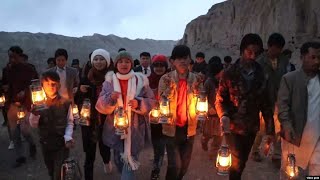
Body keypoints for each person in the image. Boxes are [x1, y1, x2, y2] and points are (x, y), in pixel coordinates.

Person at [215, 33, 275, 180]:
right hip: (233, 126)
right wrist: (223, 116)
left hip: (251, 127)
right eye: (249, 52)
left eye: (256, 53)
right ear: (242, 50)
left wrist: (270, 130)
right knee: (237, 162)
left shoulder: (261, 74)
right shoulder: (229, 73)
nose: (253, 56)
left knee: (242, 162)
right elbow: (220, 99)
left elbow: (265, 103)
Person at [96, 51, 155, 180]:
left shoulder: (140, 81)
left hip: (135, 128)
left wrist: (138, 103)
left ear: (131, 64)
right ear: (116, 64)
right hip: (115, 128)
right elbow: (100, 105)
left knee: (129, 162)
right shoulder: (109, 82)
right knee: (118, 160)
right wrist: (110, 98)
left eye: (127, 61)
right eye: (121, 61)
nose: (124, 64)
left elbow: (151, 101)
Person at [158, 45, 203, 180]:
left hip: (189, 129)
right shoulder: (166, 79)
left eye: (185, 58)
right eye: (178, 58)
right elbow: (161, 99)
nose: (182, 61)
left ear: (190, 60)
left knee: (184, 165)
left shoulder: (196, 79)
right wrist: (170, 90)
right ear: (172, 61)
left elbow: (202, 99)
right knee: (175, 165)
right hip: (171, 128)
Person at [278, 42, 320, 178]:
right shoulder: (289, 79)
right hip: (295, 135)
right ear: (302, 57)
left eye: (319, 57)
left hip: (317, 137)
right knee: (290, 172)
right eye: (313, 57)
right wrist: (287, 126)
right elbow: (282, 106)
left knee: (316, 171)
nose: (317, 61)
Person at [252, 33, 295, 163]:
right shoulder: (259, 61)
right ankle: (254, 151)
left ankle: (276, 154)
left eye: (280, 49)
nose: (278, 51)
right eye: (275, 48)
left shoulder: (285, 62)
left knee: (279, 128)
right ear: (269, 47)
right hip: (264, 101)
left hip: (279, 100)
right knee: (261, 129)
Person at [29, 71, 75, 180]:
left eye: (53, 84)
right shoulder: (38, 103)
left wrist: (68, 137)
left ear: (59, 84)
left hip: (61, 144)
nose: (51, 86)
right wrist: (34, 114)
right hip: (45, 142)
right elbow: (33, 124)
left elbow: (70, 122)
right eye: (47, 83)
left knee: (59, 173)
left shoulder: (65, 103)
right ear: (42, 85)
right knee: (50, 170)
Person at [78, 49, 113, 180]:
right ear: (92, 61)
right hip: (89, 120)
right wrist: (80, 92)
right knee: (89, 152)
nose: (98, 62)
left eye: (101, 59)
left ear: (107, 61)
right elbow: (77, 100)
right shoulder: (85, 78)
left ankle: (106, 160)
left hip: (106, 118)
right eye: (96, 59)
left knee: (105, 146)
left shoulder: (111, 79)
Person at [6, 46, 38, 167]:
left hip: (25, 104)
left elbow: (36, 85)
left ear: (20, 56)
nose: (11, 59)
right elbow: (4, 83)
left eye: (14, 57)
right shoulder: (7, 70)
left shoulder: (29, 69)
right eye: (10, 57)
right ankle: (20, 156)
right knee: (14, 133)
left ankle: (32, 144)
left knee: (25, 130)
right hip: (12, 105)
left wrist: (26, 91)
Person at [148, 54, 169, 180]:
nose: (159, 68)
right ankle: (156, 167)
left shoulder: (170, 80)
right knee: (158, 145)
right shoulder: (148, 81)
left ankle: (159, 169)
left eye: (162, 65)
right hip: (154, 120)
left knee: (165, 145)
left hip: (169, 119)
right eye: (156, 65)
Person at [201, 56, 224, 160]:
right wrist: (209, 107)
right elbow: (203, 97)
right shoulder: (208, 83)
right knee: (208, 134)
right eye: (221, 72)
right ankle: (204, 140)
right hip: (211, 115)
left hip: (220, 114)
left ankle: (213, 154)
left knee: (218, 136)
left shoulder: (223, 82)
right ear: (216, 72)